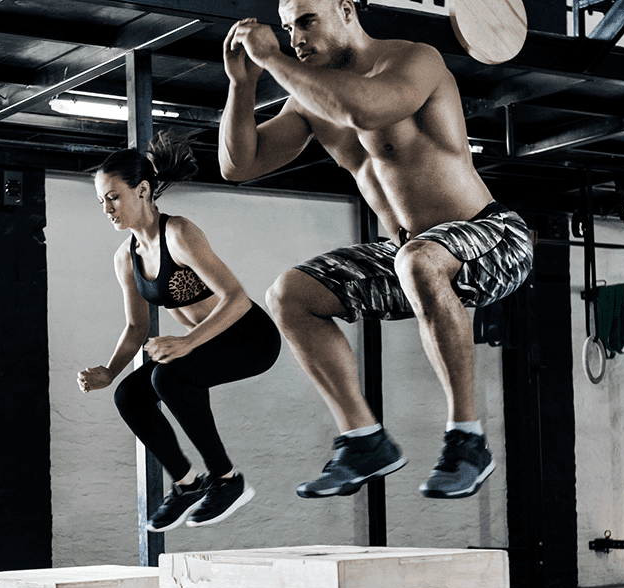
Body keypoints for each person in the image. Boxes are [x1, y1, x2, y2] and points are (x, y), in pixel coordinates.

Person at [219, 0, 534, 500]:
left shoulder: (414, 60)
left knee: (417, 260)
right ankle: (365, 440)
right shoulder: (308, 98)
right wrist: (243, 84)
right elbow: (239, 165)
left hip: (491, 238)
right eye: (286, 29)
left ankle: (467, 441)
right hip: (411, 255)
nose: (295, 38)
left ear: (346, 10)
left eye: (307, 21)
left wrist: (273, 61)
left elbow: (362, 108)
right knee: (288, 295)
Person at [78, 133, 281, 531]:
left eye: (113, 197)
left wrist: (186, 341)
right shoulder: (126, 258)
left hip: (250, 337)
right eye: (101, 201)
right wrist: (110, 370)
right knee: (129, 395)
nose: (107, 209)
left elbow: (237, 298)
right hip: (200, 346)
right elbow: (137, 327)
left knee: (168, 375)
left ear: (142, 190)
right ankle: (188, 485)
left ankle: (226, 481)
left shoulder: (180, 234)